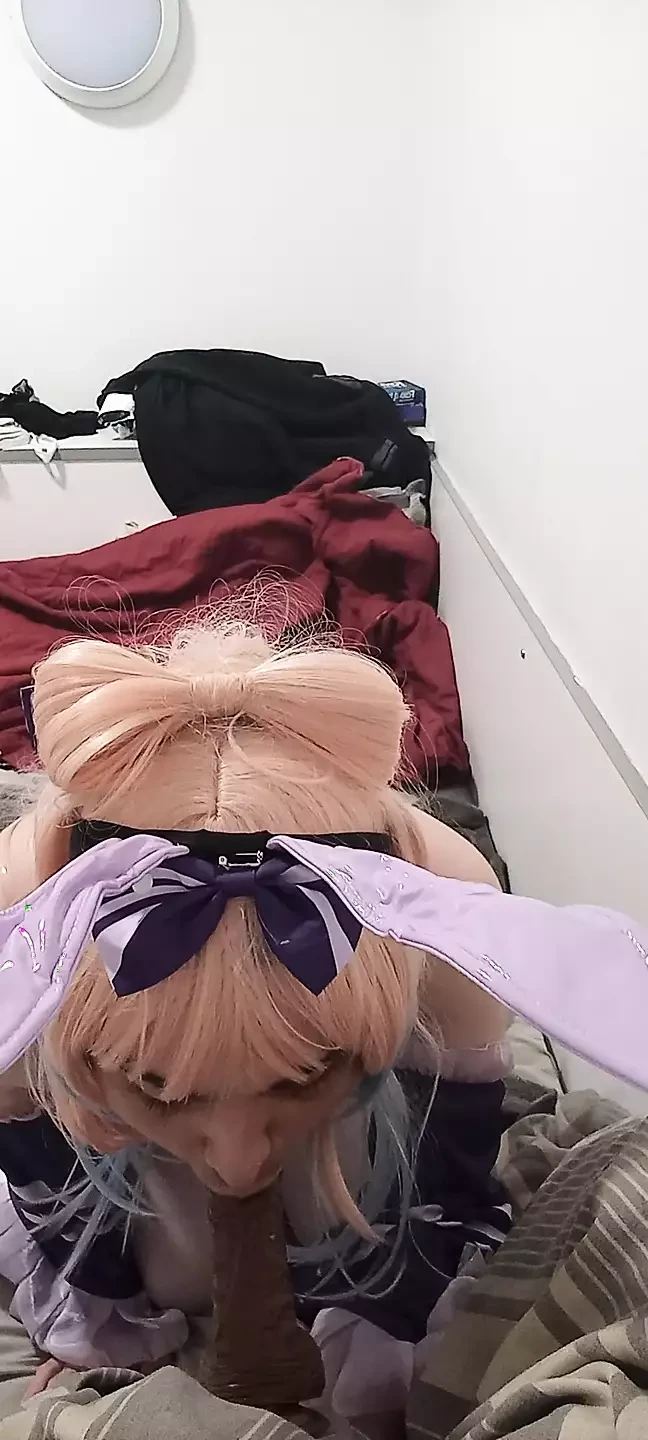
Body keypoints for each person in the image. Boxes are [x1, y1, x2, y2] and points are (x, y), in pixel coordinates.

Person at [0, 616, 510, 1402]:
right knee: (171, 1266)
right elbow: (29, 1139)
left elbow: (451, 1149)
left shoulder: (454, 914)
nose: (237, 1162)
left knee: (352, 1230)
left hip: (371, 1097)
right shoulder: (17, 918)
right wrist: (99, 1310)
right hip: (102, 1125)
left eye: (299, 1076)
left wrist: (388, 1320)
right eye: (163, 1088)